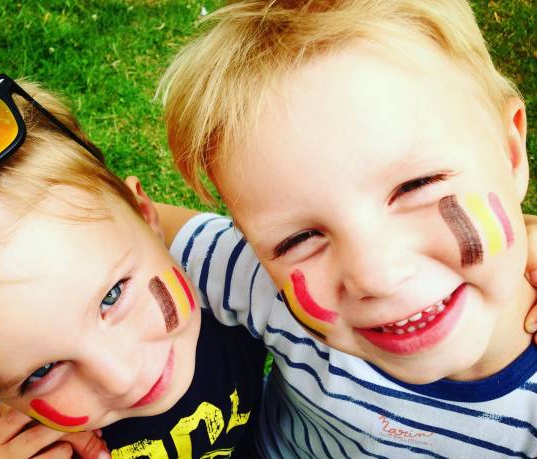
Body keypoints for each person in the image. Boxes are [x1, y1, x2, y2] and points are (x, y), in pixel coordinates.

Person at [158, 0, 537, 456]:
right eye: (300, 239)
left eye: (417, 185)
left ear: (511, 153)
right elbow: (121, 227)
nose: (376, 275)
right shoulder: (267, 287)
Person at [0, 75, 266, 458]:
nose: (122, 377)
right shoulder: (20, 448)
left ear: (148, 218)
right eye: (42, 371)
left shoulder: (241, 295)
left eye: (113, 295)